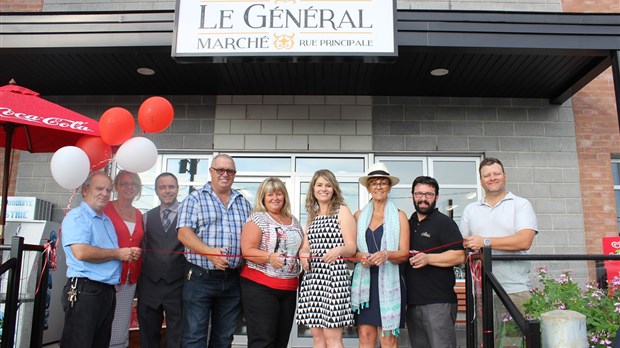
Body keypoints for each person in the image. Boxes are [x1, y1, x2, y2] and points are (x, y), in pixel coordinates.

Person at [460, 157, 538, 344]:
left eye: (496, 173)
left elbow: (524, 241)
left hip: (515, 290)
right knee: (486, 343)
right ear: (481, 181)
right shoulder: (471, 210)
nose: (492, 178)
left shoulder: (521, 204)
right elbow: (463, 247)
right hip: (482, 294)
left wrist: (484, 241)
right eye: (487, 175)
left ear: (504, 176)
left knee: (517, 343)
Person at [177, 154, 252, 347]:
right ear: (211, 171)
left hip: (233, 280)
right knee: (194, 336)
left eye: (230, 171)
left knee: (224, 337)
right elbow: (184, 234)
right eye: (220, 170)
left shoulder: (243, 202)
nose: (225, 174)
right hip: (200, 278)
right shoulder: (194, 199)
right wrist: (209, 252)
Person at [60, 172, 141, 348]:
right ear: (85, 190)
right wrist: (118, 254)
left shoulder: (105, 220)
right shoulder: (77, 216)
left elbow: (110, 251)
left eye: (108, 190)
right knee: (79, 343)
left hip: (106, 291)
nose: (105, 193)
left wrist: (126, 254)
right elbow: (80, 252)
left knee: (100, 343)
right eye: (99, 188)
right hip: (85, 290)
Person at [240, 177, 304, 348]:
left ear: (285, 197)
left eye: (279, 194)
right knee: (263, 341)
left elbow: (300, 249)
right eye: (270, 195)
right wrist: (269, 257)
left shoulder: (293, 220)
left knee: (280, 342)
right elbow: (247, 251)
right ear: (263, 197)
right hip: (261, 288)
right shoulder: (257, 219)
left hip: (289, 289)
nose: (275, 198)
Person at [351, 163, 410, 348]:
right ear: (368, 187)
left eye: (383, 183)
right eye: (374, 183)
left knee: (388, 339)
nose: (378, 186)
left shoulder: (399, 216)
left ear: (389, 187)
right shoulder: (359, 216)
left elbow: (404, 254)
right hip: (365, 284)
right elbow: (352, 252)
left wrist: (387, 254)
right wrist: (360, 255)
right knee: (365, 335)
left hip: (390, 283)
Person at [297, 169, 357, 348]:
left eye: (328, 185)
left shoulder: (342, 211)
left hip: (334, 279)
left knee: (333, 339)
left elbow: (351, 248)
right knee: (317, 339)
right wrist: (303, 253)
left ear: (334, 189)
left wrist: (338, 249)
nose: (324, 189)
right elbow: (306, 245)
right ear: (313, 189)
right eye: (320, 185)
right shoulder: (312, 216)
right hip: (313, 279)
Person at [405, 176, 466, 348]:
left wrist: (428, 258)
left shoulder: (444, 223)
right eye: (419, 194)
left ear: (436, 197)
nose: (423, 198)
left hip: (438, 303)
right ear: (412, 196)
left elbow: (460, 256)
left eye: (428, 194)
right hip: (412, 302)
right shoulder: (407, 224)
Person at [137, 172, 186, 348]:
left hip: (178, 285)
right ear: (156, 191)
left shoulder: (188, 215)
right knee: (148, 336)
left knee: (178, 336)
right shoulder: (145, 217)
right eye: (162, 187)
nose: (167, 191)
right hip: (150, 284)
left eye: (171, 187)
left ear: (178, 189)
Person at [103, 170, 145, 348]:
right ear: (116, 187)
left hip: (129, 277)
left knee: (121, 322)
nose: (129, 187)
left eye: (133, 184)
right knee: (102, 320)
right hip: (106, 275)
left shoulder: (139, 214)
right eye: (124, 183)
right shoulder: (105, 209)